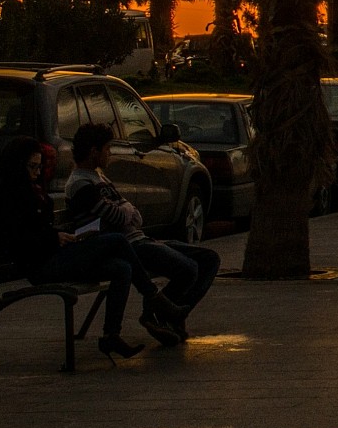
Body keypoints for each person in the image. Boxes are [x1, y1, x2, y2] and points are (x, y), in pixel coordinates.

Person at [0, 136, 166, 359]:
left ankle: (111, 335)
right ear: (17, 165)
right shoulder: (7, 196)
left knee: (121, 268)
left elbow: (40, 228)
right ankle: (153, 297)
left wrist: (63, 235)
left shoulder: (31, 189)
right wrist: (54, 237)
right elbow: (17, 239)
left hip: (53, 255)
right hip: (40, 265)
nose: (37, 172)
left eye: (39, 166)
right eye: (32, 166)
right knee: (117, 240)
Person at [63, 124, 220, 343]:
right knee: (188, 268)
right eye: (107, 149)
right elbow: (118, 216)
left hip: (139, 238)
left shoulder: (99, 178)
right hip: (129, 246)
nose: (110, 154)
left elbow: (132, 213)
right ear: (93, 152)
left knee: (209, 260)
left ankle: (166, 315)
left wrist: (125, 211)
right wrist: (125, 211)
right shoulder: (81, 183)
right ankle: (157, 313)